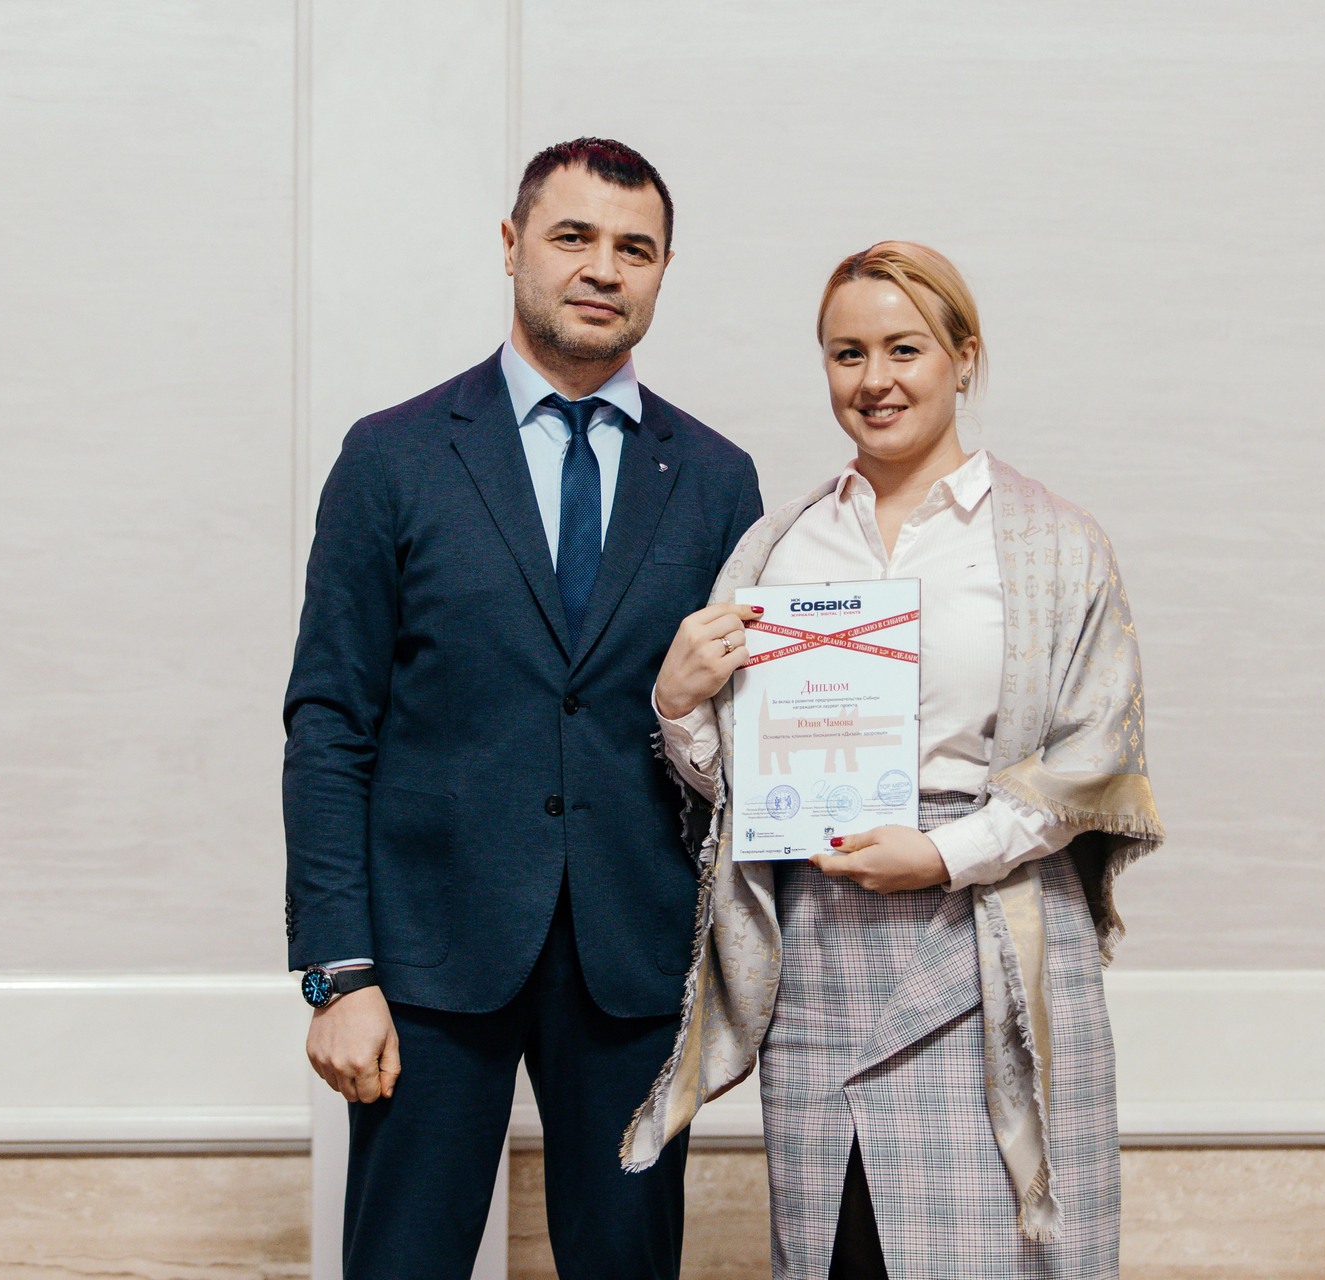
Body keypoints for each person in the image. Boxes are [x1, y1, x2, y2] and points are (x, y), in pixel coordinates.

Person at [623, 242, 1164, 1279]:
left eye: (904, 348)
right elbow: (742, 791)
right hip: (822, 951)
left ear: (964, 357)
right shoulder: (781, 547)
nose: (874, 379)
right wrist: (680, 706)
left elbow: (1095, 755)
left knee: (1002, 1253)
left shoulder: (1056, 542)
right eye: (847, 353)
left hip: (993, 937)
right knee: (842, 1250)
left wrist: (946, 852)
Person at [282, 137, 763, 1280]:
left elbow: (741, 737)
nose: (603, 268)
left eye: (635, 248)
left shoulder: (717, 478)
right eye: (573, 237)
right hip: (426, 959)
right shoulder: (393, 457)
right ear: (512, 246)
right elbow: (330, 723)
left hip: (635, 956)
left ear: (663, 269)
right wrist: (339, 970)